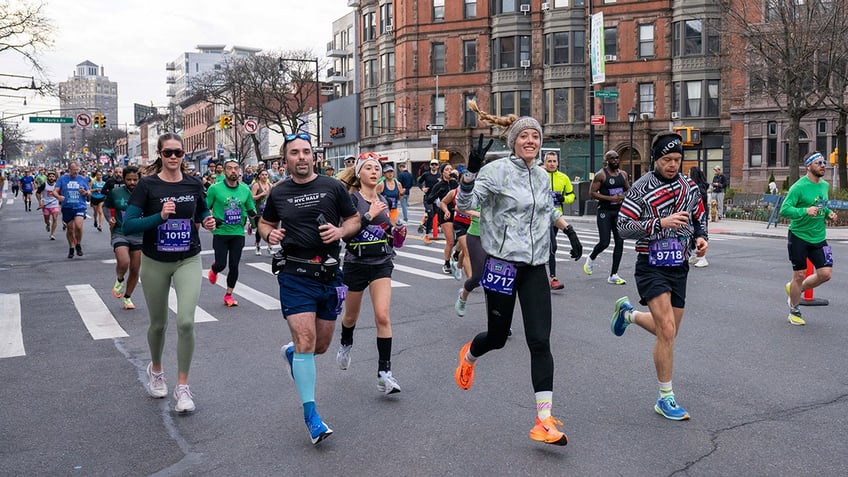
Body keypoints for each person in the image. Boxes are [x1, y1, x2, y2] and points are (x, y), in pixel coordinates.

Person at [454, 103, 583, 446]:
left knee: (539, 341)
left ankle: (543, 420)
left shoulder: (542, 175)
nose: (530, 140)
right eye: (524, 135)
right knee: (497, 337)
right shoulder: (496, 173)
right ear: (513, 142)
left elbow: (548, 208)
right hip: (502, 265)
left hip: (535, 267)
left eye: (535, 136)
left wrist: (568, 230)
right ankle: (469, 356)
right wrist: (469, 175)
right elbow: (464, 205)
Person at [257, 133, 360, 445]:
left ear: (314, 157)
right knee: (305, 341)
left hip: (328, 274)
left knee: (320, 346)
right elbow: (264, 224)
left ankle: (291, 354)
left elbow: (354, 219)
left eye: (306, 152)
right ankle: (311, 416)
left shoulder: (333, 187)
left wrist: (341, 230)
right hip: (294, 274)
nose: (301, 157)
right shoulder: (278, 192)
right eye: (294, 153)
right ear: (285, 159)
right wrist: (269, 235)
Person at [610, 131, 708, 421]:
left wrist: (701, 239)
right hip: (650, 264)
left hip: (679, 264)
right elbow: (622, 227)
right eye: (667, 159)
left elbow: (700, 217)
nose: (673, 165)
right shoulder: (641, 188)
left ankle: (628, 315)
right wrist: (659, 223)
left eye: (677, 159)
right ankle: (665, 397)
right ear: (656, 159)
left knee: (670, 331)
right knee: (666, 331)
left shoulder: (690, 187)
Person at [123, 133, 217, 413]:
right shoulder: (147, 185)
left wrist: (208, 220)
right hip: (155, 261)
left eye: (178, 152)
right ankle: (157, 369)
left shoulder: (194, 182)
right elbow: (128, 225)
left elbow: (202, 212)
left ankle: (183, 387)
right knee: (159, 324)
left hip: (188, 258)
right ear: (160, 155)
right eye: (168, 153)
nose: (173, 157)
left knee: (187, 322)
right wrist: (159, 217)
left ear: (184, 154)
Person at [335, 154, 403, 395]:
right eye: (369, 168)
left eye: (378, 168)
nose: (375, 172)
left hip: (382, 262)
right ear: (359, 174)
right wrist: (370, 215)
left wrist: (398, 232)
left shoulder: (383, 199)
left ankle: (384, 374)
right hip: (356, 263)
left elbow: (390, 236)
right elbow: (346, 233)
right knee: (350, 317)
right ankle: (345, 342)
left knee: (383, 317)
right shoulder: (351, 200)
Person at [779, 151, 836, 326]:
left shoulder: (824, 186)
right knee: (800, 274)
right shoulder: (798, 187)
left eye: (824, 162)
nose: (823, 165)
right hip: (799, 236)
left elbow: (822, 205)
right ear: (808, 166)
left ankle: (796, 289)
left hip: (819, 237)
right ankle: (794, 310)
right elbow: (784, 210)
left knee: (825, 274)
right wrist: (804, 211)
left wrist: (828, 213)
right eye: (818, 163)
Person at [206, 158, 257, 307]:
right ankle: (215, 269)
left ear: (239, 171)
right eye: (230, 168)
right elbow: (204, 208)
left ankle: (228, 294)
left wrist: (254, 222)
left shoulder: (245, 189)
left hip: (237, 232)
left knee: (234, 265)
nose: (233, 171)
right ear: (224, 171)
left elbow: (250, 209)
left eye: (236, 168)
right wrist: (212, 219)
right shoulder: (214, 189)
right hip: (220, 232)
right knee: (222, 264)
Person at [584, 150, 631, 285]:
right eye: (612, 159)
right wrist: (610, 198)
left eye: (617, 158)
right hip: (604, 211)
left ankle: (614, 274)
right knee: (604, 242)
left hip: (619, 212)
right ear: (607, 161)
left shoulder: (623, 174)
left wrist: (624, 196)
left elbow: (628, 189)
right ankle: (591, 257)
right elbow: (592, 193)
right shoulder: (601, 175)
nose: (616, 160)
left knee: (620, 242)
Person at [105, 166, 143, 310]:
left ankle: (127, 297)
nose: (132, 182)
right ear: (124, 179)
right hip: (120, 231)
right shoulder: (115, 192)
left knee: (134, 269)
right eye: (129, 179)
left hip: (139, 234)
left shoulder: (144, 193)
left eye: (135, 179)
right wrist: (110, 218)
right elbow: (106, 207)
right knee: (124, 261)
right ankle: (120, 279)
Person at [543, 151, 575, 290]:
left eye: (554, 161)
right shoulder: (539, 175)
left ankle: (543, 266)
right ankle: (553, 278)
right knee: (552, 246)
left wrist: (564, 199)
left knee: (549, 246)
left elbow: (571, 195)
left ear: (557, 162)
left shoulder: (563, 178)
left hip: (557, 217)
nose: (552, 164)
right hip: (542, 217)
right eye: (549, 161)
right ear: (544, 163)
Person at [53, 161, 90, 259]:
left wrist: (85, 193)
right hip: (67, 207)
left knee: (78, 226)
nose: (76, 172)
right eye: (73, 170)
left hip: (79, 206)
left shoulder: (82, 179)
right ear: (69, 169)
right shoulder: (62, 179)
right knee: (70, 229)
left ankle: (78, 244)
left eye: (77, 170)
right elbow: (55, 191)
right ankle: (71, 247)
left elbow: (89, 191)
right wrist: (58, 197)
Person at [429, 163, 458, 269]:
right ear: (442, 172)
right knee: (450, 241)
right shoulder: (439, 185)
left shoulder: (456, 183)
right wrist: (438, 195)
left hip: (459, 213)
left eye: (451, 169)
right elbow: (429, 199)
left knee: (462, 239)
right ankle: (446, 263)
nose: (449, 171)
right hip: (445, 214)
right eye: (447, 169)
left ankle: (456, 253)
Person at [687, 166, 710, 268]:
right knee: (694, 234)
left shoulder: (698, 187)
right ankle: (697, 255)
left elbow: (702, 198)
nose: (687, 174)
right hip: (697, 213)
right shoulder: (697, 186)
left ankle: (702, 258)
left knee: (700, 234)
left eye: (689, 173)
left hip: (700, 214)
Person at [417, 159, 442, 237]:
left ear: (438, 166)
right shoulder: (426, 174)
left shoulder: (440, 176)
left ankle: (425, 226)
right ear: (430, 166)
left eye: (435, 165)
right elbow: (419, 182)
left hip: (437, 199)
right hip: (428, 198)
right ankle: (427, 234)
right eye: (432, 164)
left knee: (435, 216)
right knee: (430, 214)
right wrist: (422, 188)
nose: (434, 166)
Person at [250, 169, 272, 255]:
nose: (264, 176)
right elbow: (252, 197)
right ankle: (258, 246)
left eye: (266, 175)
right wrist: (261, 194)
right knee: (259, 230)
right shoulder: (256, 185)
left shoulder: (270, 185)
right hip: (259, 210)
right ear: (259, 176)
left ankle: (270, 247)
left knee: (270, 229)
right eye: (262, 175)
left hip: (268, 210)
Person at [36, 171, 60, 240]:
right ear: (47, 178)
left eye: (53, 177)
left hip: (54, 204)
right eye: (50, 177)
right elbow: (38, 193)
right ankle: (48, 224)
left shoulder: (57, 185)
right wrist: (40, 202)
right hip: (46, 205)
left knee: (55, 219)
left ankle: (52, 234)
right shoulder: (44, 185)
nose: (51, 178)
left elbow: (61, 193)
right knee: (46, 219)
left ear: (55, 178)